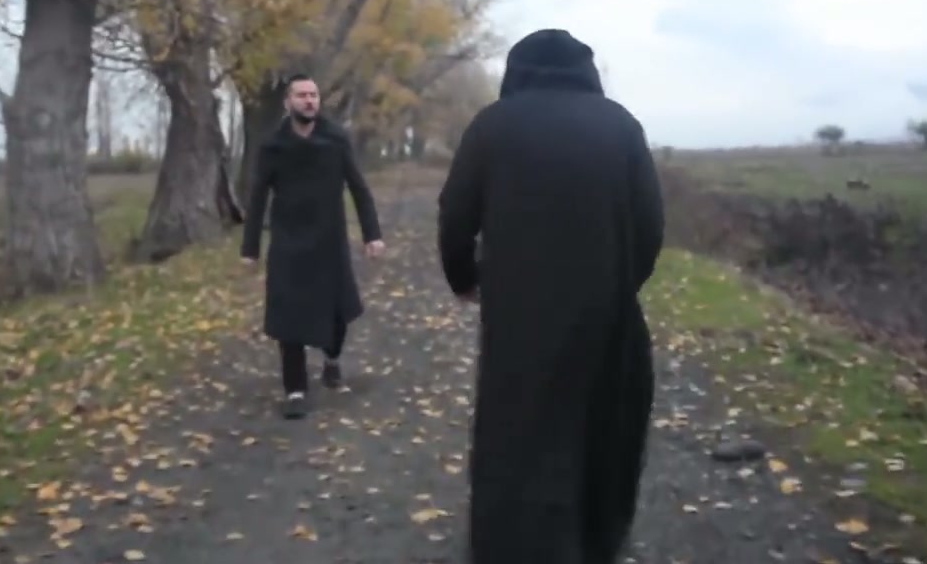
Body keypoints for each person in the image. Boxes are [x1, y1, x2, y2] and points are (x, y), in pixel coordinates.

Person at [436, 29, 664, 563]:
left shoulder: (492, 126)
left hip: (517, 314)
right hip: (605, 313)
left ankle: (509, 544)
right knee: (599, 424)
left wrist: (464, 278)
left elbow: (455, 216)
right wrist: (619, 282)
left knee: (516, 428)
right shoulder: (621, 126)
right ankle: (594, 539)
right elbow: (650, 224)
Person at [241, 73, 386, 420]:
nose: (309, 101)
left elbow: (358, 187)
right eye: (302, 95)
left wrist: (372, 234)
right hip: (288, 241)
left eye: (314, 95)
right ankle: (295, 389)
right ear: (288, 102)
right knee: (286, 313)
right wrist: (250, 248)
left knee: (337, 311)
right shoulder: (273, 146)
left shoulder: (335, 139)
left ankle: (332, 358)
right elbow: (258, 196)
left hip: (329, 239)